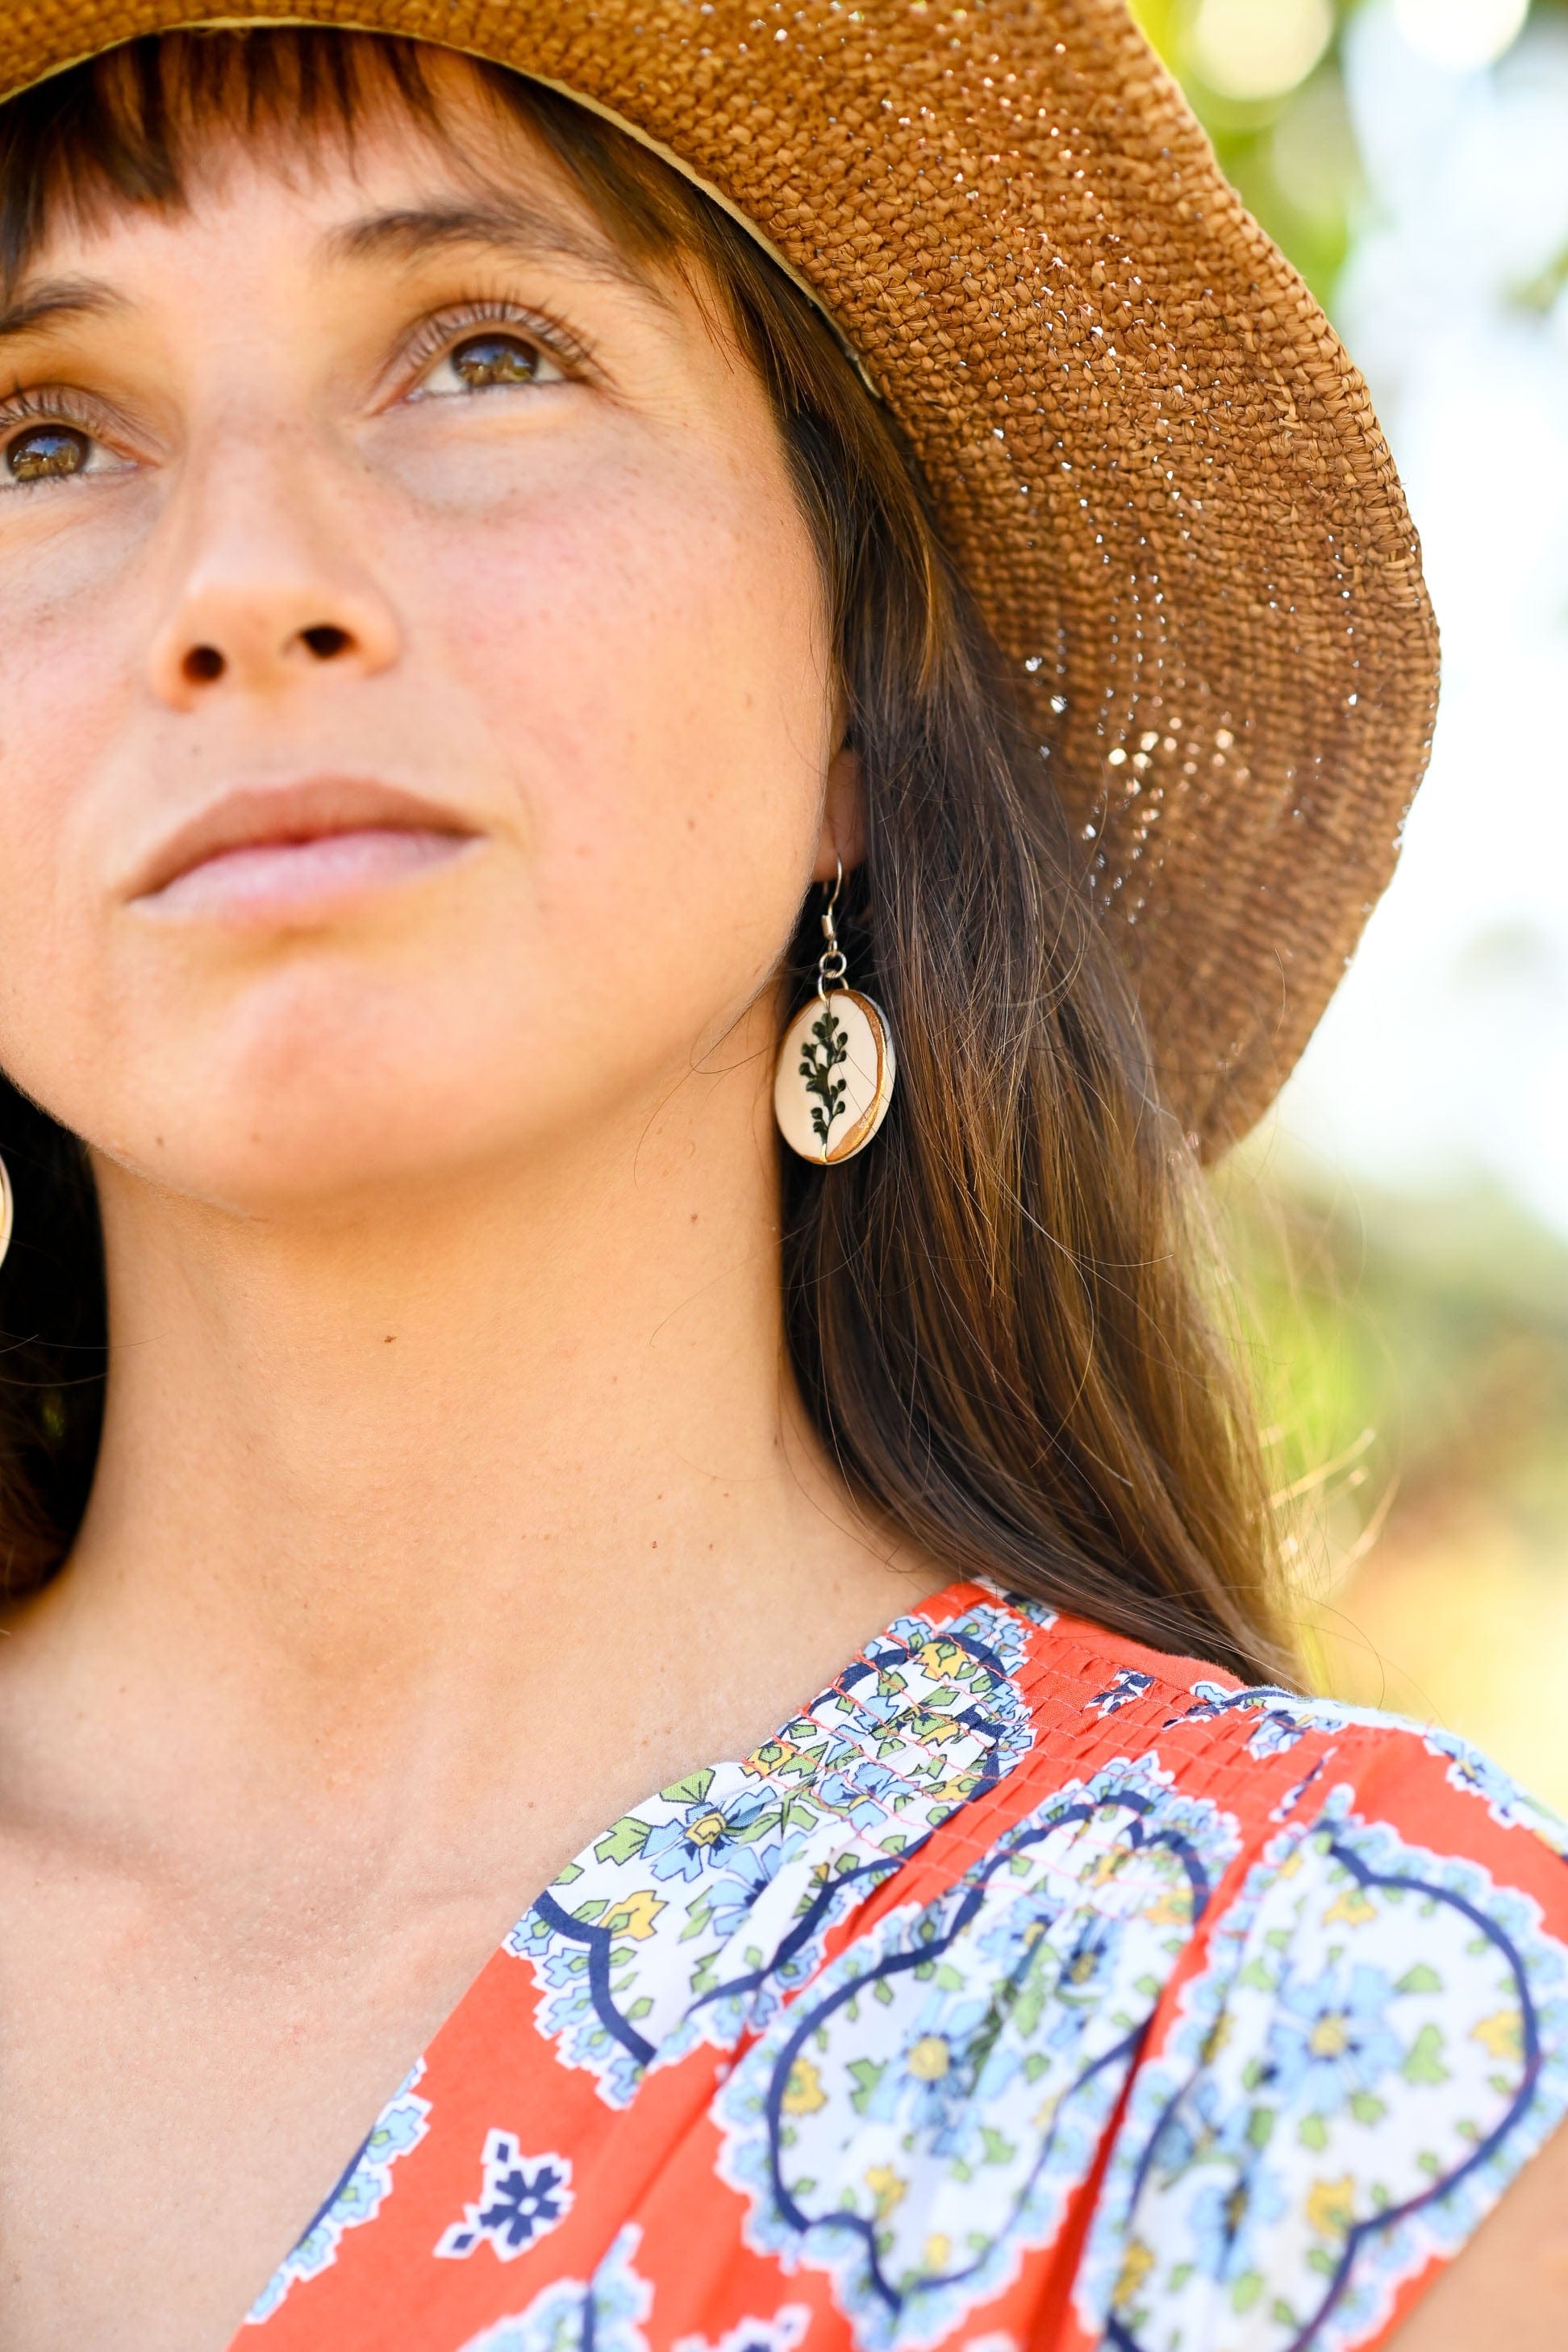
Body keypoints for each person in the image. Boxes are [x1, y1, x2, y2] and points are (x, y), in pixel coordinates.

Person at [0, 10, 1560, 2350]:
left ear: (857, 697)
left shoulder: (1355, 2051)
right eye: (37, 432)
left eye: (484, 351)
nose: (242, 580)